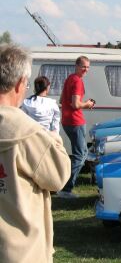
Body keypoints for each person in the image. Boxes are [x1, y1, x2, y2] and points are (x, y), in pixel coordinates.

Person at [0, 44, 70, 263]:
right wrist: (55, 140)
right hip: (19, 251)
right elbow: (58, 177)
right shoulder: (27, 132)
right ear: (21, 83)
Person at [57, 55, 95, 199]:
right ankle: (66, 189)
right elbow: (76, 104)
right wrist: (88, 104)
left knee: (82, 153)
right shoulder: (77, 81)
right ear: (76, 65)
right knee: (80, 156)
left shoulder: (70, 78)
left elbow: (62, 100)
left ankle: (64, 184)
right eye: (83, 66)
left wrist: (80, 103)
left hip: (67, 121)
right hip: (75, 121)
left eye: (88, 67)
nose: (86, 69)